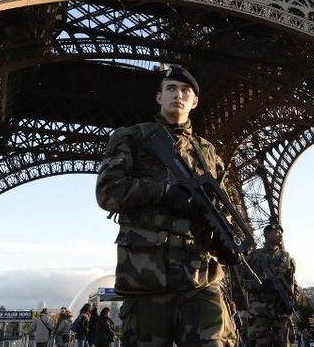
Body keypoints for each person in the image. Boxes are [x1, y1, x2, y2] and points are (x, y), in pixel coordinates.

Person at [95, 64, 236, 346]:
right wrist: (164, 193)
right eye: (171, 88)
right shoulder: (132, 138)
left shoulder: (209, 153)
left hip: (200, 278)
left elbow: (223, 210)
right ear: (159, 97)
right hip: (147, 281)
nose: (178, 95)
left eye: (186, 91)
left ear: (195, 102)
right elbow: (108, 192)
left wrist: (226, 241)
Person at [243, 223, 300, 347]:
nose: (280, 235)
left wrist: (294, 299)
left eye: (281, 233)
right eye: (276, 232)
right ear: (266, 235)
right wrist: (259, 285)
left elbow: (293, 283)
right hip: (261, 312)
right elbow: (243, 280)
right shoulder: (254, 256)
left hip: (281, 310)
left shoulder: (287, 258)